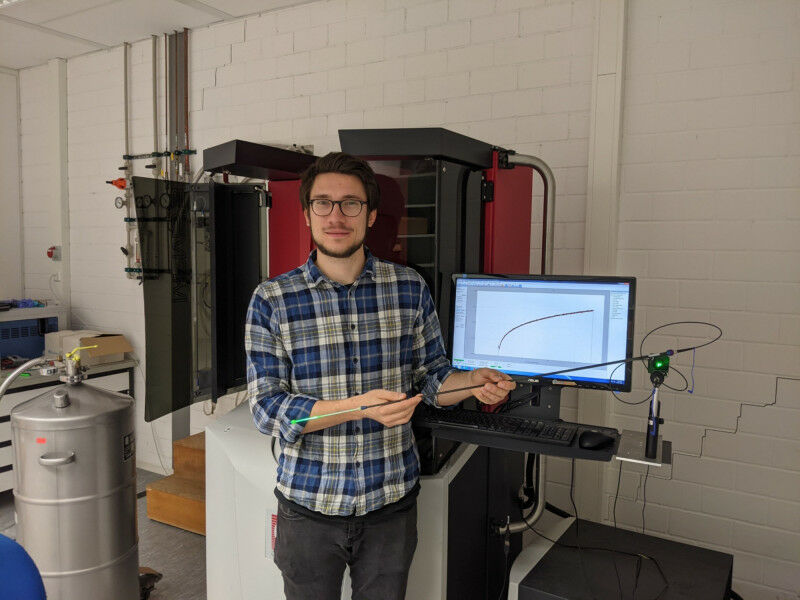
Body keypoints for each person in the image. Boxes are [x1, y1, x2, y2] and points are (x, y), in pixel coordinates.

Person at [245, 152, 515, 600]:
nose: (336, 216)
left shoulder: (408, 287)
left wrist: (473, 382)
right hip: (309, 506)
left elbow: (432, 378)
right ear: (307, 213)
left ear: (370, 215)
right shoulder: (272, 299)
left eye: (350, 203)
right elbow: (268, 411)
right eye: (323, 203)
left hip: (390, 505)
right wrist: (357, 408)